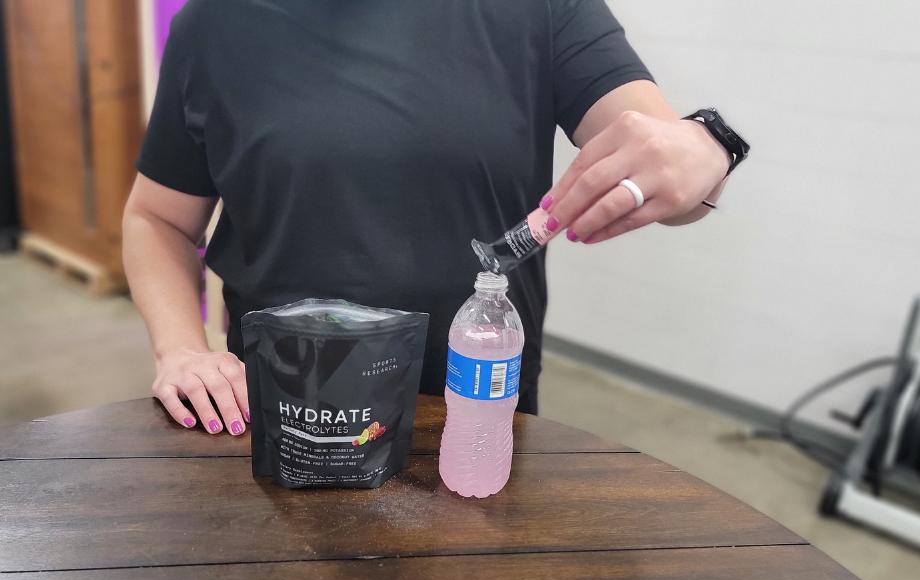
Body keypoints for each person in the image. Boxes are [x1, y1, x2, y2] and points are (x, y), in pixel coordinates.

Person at [124, 0, 741, 436]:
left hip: (473, 415)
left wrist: (704, 150)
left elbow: (663, 163)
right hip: (279, 417)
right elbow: (158, 219)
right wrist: (181, 350)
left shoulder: (541, 9)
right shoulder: (213, 24)